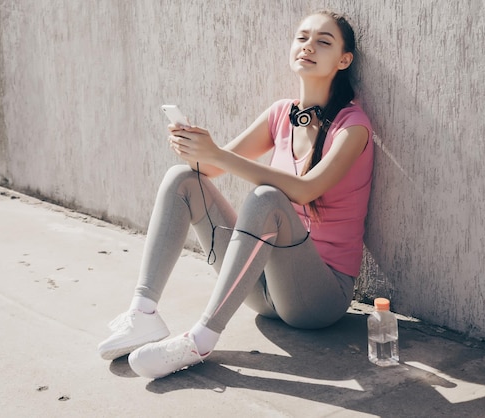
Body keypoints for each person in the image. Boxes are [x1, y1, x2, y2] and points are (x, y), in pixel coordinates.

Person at [98, 9, 374, 379]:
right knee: (182, 179)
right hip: (260, 292)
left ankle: (201, 338)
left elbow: (308, 189)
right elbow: (209, 172)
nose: (308, 46)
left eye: (323, 41)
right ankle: (143, 312)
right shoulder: (281, 114)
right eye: (302, 37)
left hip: (318, 299)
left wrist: (217, 154)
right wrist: (194, 149)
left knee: (267, 199)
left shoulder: (353, 127)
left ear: (344, 60)